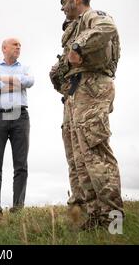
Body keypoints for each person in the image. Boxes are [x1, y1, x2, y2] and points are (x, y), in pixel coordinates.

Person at [59, 0, 123, 229]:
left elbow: (108, 28)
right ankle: (96, 215)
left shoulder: (94, 17)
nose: (63, 9)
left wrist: (77, 47)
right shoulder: (75, 26)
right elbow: (67, 63)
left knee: (96, 152)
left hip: (94, 85)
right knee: (80, 157)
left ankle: (114, 220)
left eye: (65, 3)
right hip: (77, 91)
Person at [0, 38, 34, 214]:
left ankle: (18, 207)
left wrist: (4, 80)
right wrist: (16, 82)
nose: (19, 47)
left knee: (21, 164)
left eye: (20, 45)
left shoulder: (25, 67)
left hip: (20, 116)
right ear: (4, 48)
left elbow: (29, 82)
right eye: (15, 45)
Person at [49, 20, 85, 210]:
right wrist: (66, 89)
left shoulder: (86, 42)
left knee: (88, 156)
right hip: (69, 105)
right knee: (73, 159)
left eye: (70, 27)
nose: (68, 31)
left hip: (85, 102)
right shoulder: (64, 56)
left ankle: (97, 206)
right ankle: (78, 202)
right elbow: (54, 75)